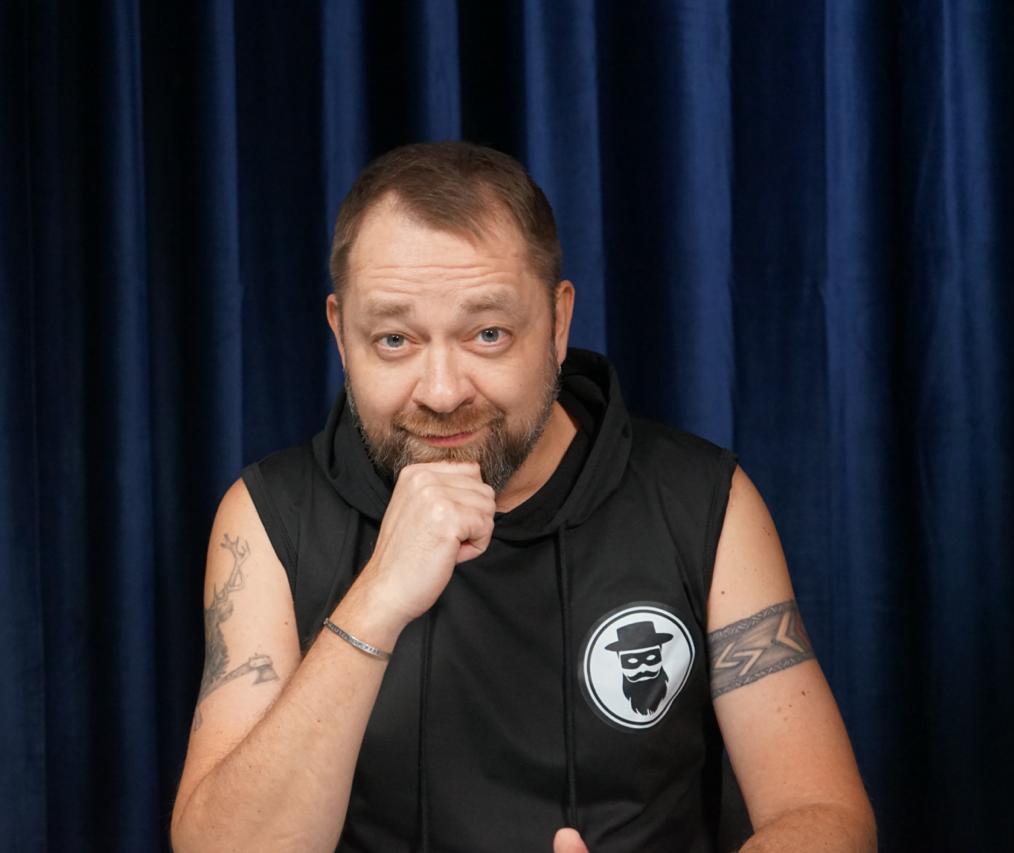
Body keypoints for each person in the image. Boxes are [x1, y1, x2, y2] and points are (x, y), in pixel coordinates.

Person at [170, 142, 875, 852]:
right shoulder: (270, 518)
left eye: (488, 334)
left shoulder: (703, 502)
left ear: (558, 323)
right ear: (340, 334)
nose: (442, 392)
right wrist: (378, 598)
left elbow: (824, 814)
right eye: (393, 339)